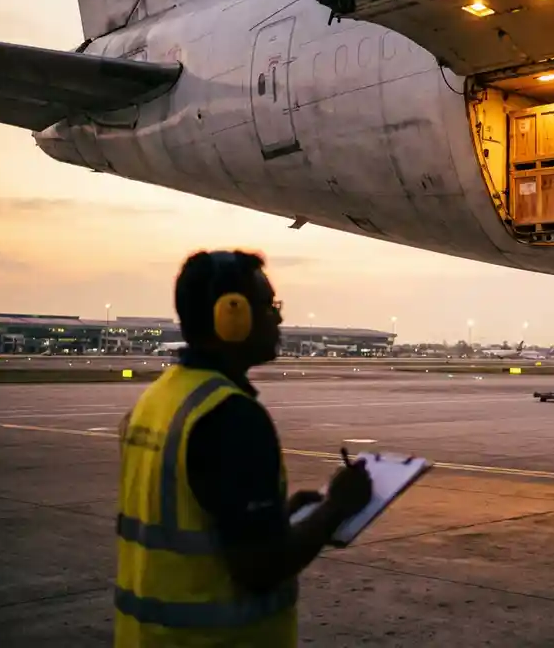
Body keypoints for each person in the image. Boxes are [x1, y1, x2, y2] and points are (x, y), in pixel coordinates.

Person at [114, 250, 372, 647]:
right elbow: (260, 568)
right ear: (231, 315)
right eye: (268, 306)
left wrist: (279, 518)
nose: (279, 318)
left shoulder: (159, 399)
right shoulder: (230, 417)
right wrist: (336, 508)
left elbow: (201, 522)